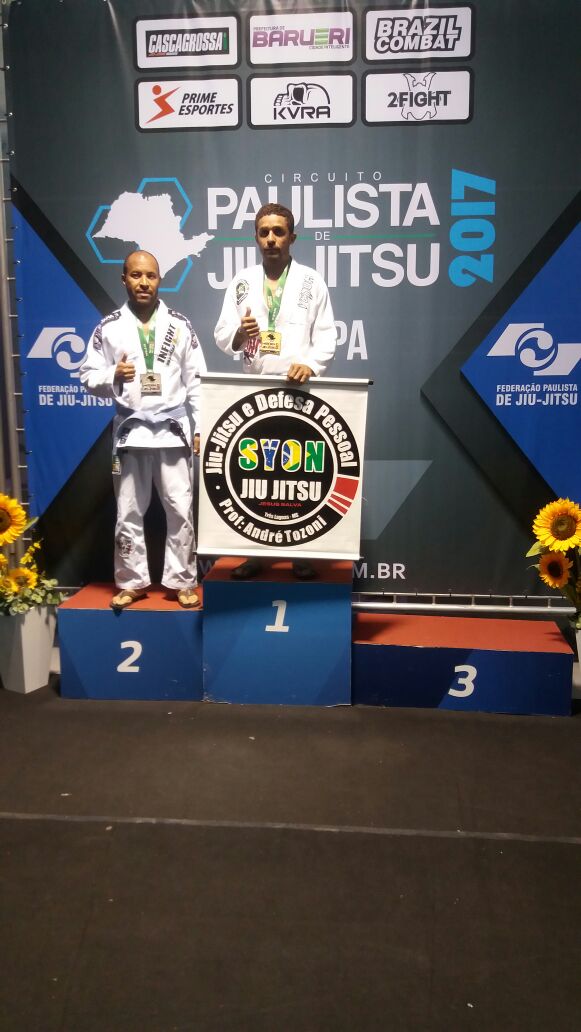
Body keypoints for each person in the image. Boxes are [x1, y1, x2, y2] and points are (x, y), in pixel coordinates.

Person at [214, 202, 337, 579]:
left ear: (292, 237)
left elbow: (327, 336)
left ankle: (301, 553)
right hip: (254, 393)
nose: (271, 239)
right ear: (256, 237)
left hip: (298, 392)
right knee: (256, 478)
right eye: (264, 232)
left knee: (297, 479)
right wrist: (240, 333)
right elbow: (222, 335)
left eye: (278, 232)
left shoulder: (311, 281)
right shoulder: (241, 283)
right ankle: (256, 554)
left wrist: (311, 364)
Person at [80, 250, 205, 609]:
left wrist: (200, 427)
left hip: (173, 431)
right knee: (129, 511)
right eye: (136, 275)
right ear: (124, 279)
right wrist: (112, 375)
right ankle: (131, 581)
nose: (144, 282)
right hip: (130, 432)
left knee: (180, 509)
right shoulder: (109, 327)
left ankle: (182, 580)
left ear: (159, 279)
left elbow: (197, 380)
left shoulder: (180, 325)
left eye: (150, 275)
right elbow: (87, 375)